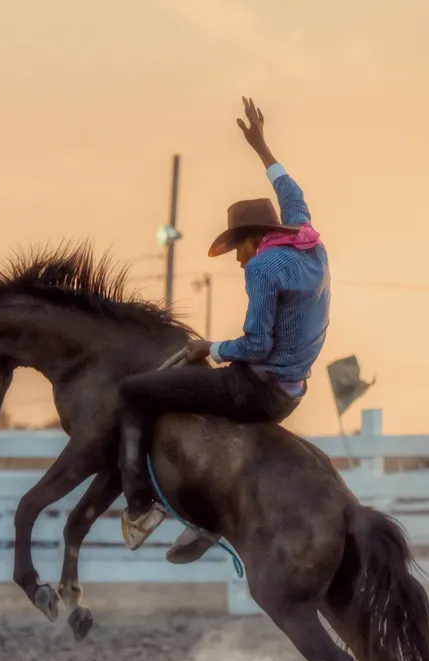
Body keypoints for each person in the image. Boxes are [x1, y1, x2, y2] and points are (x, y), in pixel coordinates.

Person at [117, 96, 331, 553]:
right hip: (294, 389)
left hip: (259, 388)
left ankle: (144, 507)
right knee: (193, 394)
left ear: (255, 240)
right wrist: (261, 146)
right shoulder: (309, 242)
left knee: (134, 393)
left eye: (239, 247)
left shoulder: (265, 267)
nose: (238, 259)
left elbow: (256, 343)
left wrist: (210, 348)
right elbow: (291, 191)